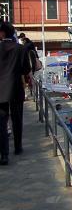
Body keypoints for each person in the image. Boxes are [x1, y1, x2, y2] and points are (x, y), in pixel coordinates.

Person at [0, 21, 31, 164]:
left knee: (2, 122)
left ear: (2, 33)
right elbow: (26, 70)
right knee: (17, 119)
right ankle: (18, 147)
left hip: (1, 91)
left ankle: (4, 154)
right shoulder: (20, 49)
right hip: (16, 89)